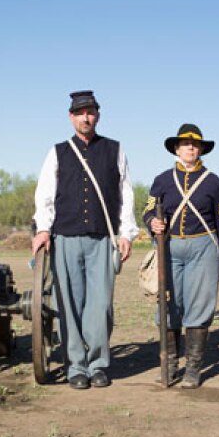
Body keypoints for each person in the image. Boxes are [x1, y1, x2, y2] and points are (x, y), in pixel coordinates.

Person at [32, 90, 139, 390]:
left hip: (103, 239)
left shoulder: (115, 150)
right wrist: (43, 229)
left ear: (98, 115)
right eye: (80, 113)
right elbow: (45, 194)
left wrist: (125, 232)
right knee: (70, 304)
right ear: (71, 117)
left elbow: (126, 194)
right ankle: (76, 366)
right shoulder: (57, 152)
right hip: (65, 236)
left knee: (100, 305)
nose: (86, 117)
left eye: (90, 112)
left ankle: (99, 364)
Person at [143, 124, 219, 388]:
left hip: (203, 247)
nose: (190, 148)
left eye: (194, 144)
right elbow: (148, 211)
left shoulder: (215, 183)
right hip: (170, 248)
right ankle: (169, 365)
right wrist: (151, 224)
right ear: (176, 149)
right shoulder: (162, 180)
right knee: (169, 305)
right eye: (184, 144)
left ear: (201, 148)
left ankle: (193, 368)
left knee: (199, 306)